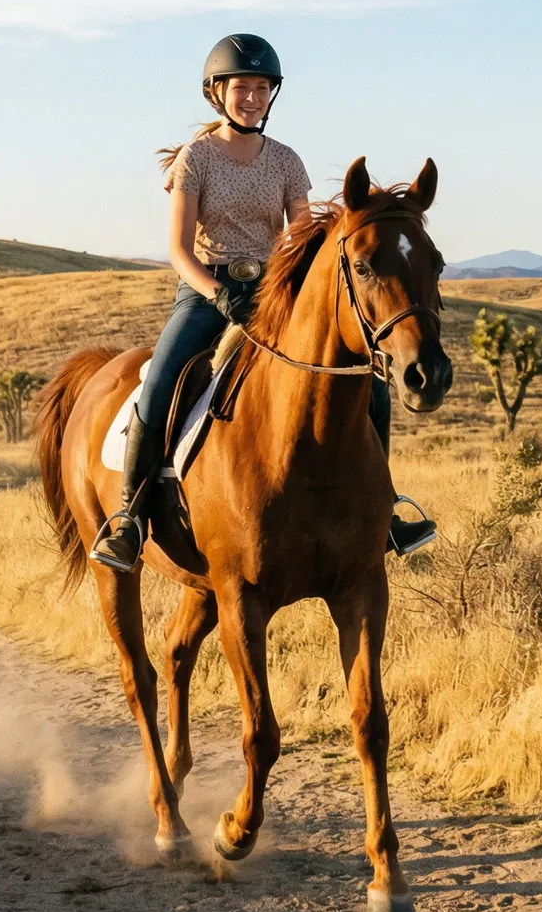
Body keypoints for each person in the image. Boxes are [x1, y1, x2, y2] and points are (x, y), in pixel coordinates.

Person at [90, 33, 436, 572]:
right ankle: (129, 519)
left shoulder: (286, 161)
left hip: (275, 294)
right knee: (159, 384)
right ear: (217, 93)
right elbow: (179, 250)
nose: (252, 98)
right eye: (241, 88)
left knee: (368, 383)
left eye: (261, 88)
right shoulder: (196, 159)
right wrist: (218, 294)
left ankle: (384, 511)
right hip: (207, 293)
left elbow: (303, 240)